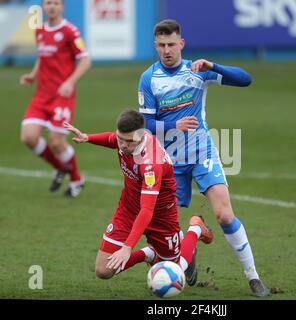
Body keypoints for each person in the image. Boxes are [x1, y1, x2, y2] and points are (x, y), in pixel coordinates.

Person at [138, 19, 269, 296]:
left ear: (181, 44)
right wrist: (174, 126)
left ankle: (253, 277)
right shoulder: (149, 78)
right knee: (163, 232)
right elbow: (145, 125)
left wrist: (214, 66)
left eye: (171, 44)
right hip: (169, 162)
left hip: (201, 152)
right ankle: (192, 239)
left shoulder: (197, 71)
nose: (167, 50)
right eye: (161, 45)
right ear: (155, 46)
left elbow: (246, 80)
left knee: (223, 214)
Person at [63, 109, 213, 280]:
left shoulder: (150, 163)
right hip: (128, 210)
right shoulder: (125, 140)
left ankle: (195, 229)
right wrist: (87, 137)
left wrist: (128, 247)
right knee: (103, 270)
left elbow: (147, 209)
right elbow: (112, 139)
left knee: (174, 271)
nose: (122, 145)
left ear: (141, 136)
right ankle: (148, 254)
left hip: (160, 215)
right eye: (121, 139)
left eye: (128, 142)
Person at [19, 0, 91, 197]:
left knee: (57, 142)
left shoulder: (70, 31)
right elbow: (41, 57)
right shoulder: (40, 30)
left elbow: (85, 60)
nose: (52, 6)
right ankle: (60, 167)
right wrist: (32, 75)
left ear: (62, 7)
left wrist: (70, 82)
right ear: (43, 6)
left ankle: (76, 178)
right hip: (41, 95)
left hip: (62, 96)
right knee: (28, 137)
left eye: (56, 3)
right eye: (48, 2)